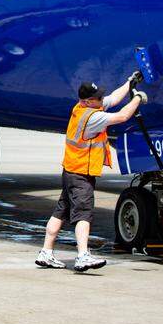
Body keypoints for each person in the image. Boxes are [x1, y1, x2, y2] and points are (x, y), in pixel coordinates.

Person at [35, 73, 146, 272]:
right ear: (88, 101)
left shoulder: (82, 109)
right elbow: (122, 116)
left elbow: (114, 98)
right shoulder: (93, 118)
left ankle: (46, 252)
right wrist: (138, 99)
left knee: (61, 211)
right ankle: (83, 256)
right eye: (98, 98)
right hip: (81, 175)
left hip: (70, 171)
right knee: (83, 214)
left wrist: (130, 83)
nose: (102, 99)